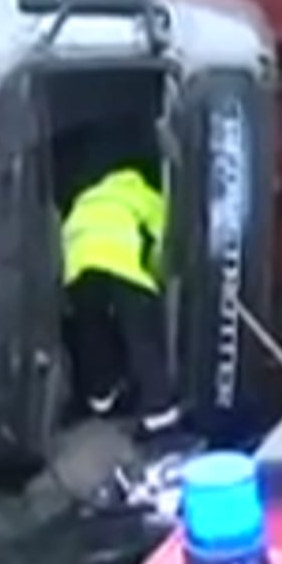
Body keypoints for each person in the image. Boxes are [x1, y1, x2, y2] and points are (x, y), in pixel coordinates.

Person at [61, 164, 184, 453]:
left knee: (93, 332)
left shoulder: (88, 197)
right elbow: (164, 242)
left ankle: (100, 398)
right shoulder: (143, 195)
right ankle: (159, 412)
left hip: (79, 269)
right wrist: (157, 275)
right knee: (141, 336)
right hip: (122, 264)